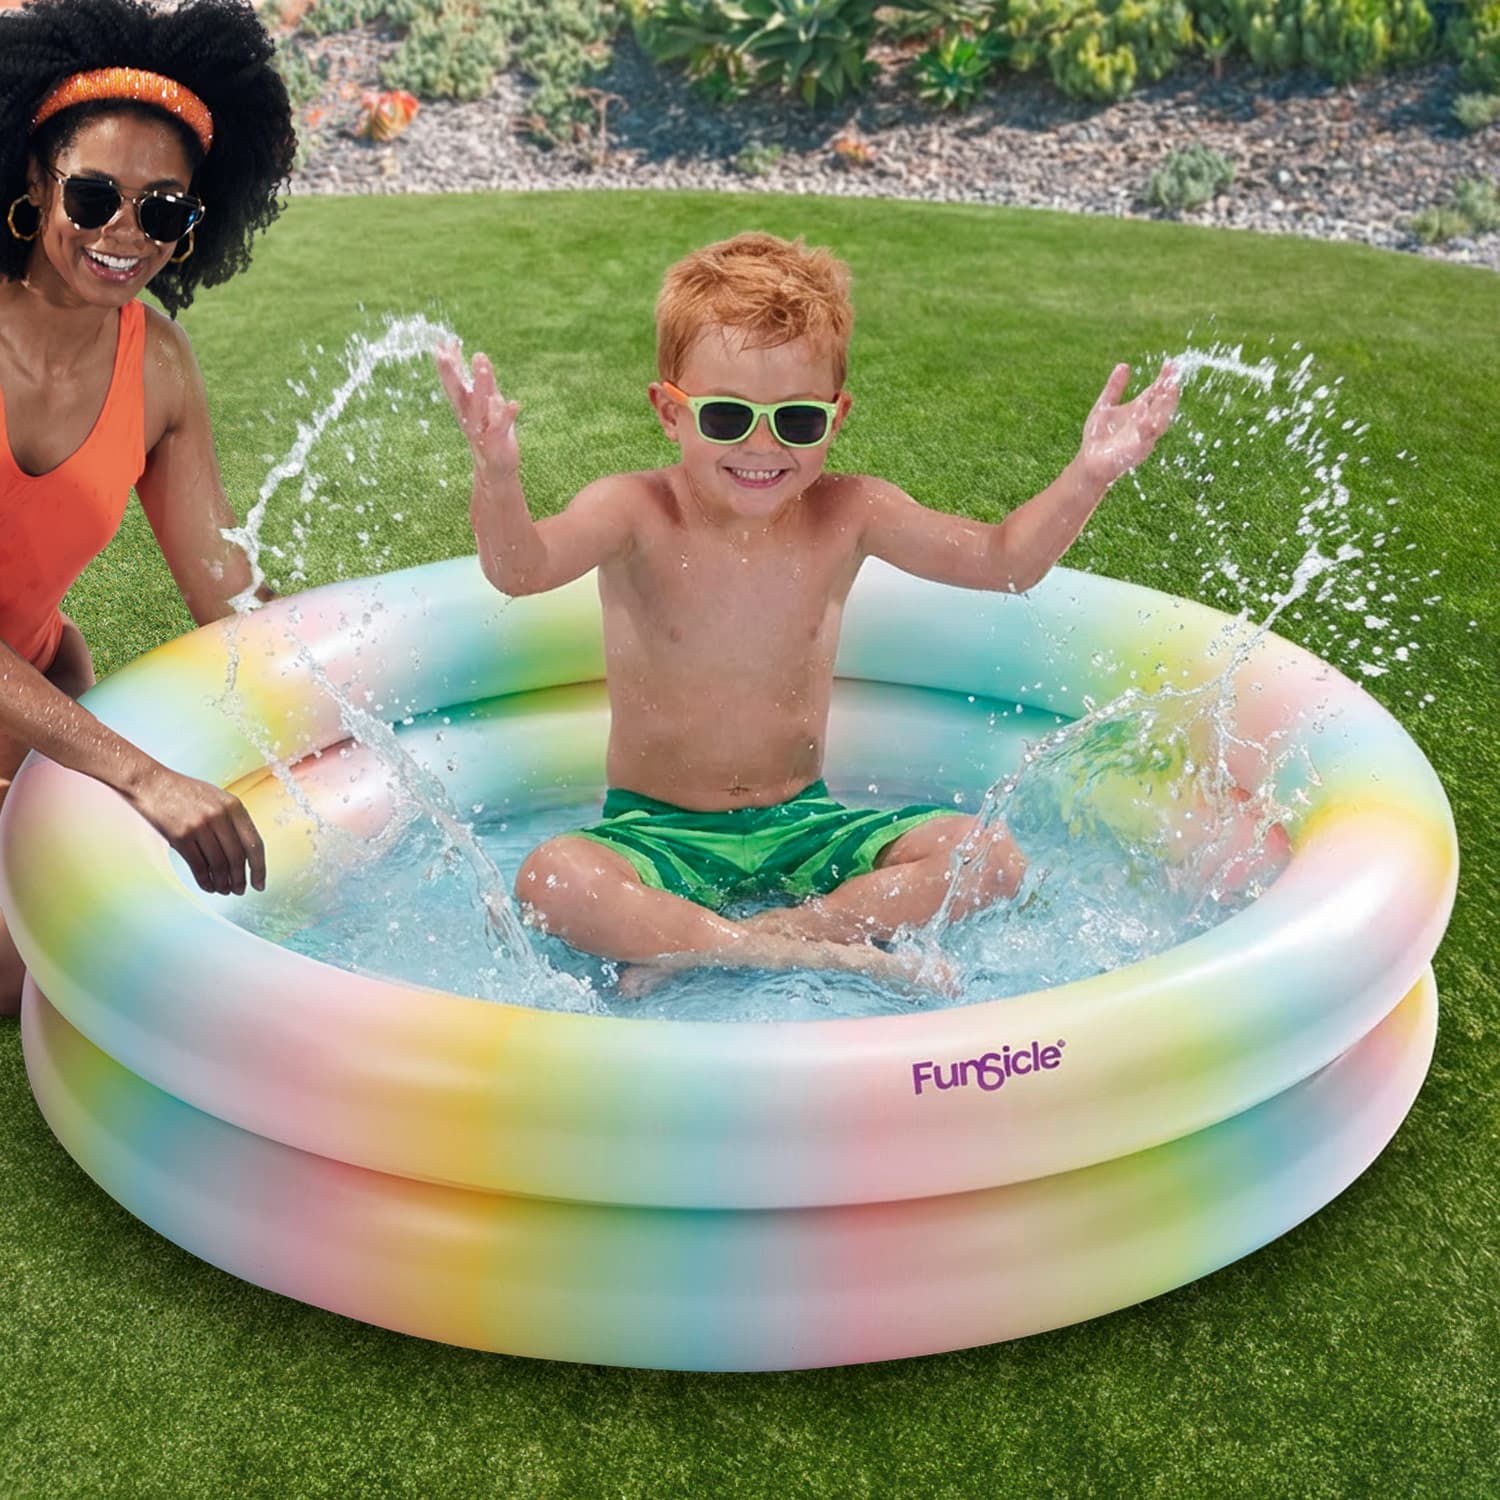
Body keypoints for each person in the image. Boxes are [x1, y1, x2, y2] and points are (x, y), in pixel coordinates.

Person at [437, 231, 1180, 991]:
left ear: (837, 413)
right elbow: (520, 570)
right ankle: (803, 949)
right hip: (653, 832)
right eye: (727, 418)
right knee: (551, 880)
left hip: (806, 827)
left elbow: (1005, 562)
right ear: (669, 412)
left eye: (796, 421)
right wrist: (496, 476)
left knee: (990, 857)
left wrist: (1088, 476)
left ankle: (745, 939)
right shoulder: (633, 511)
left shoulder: (849, 511)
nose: (762, 447)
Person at [0, 0, 297, 1016]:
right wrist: (143, 777)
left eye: (163, 210)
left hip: (29, 721)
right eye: (93, 196)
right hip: (56, 733)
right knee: (37, 966)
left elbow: (234, 597)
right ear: (35, 184)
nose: (125, 235)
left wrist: (372, 720)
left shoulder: (157, 365)